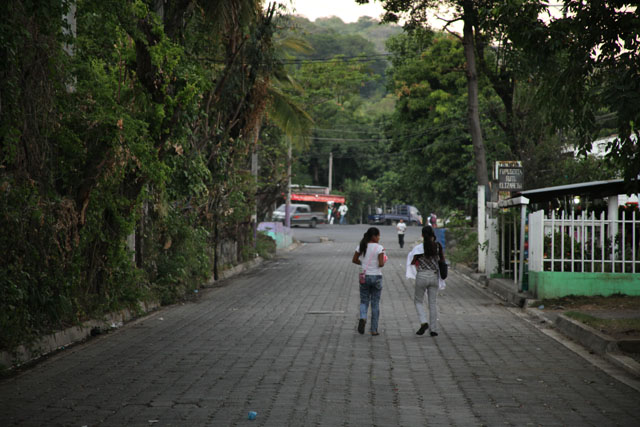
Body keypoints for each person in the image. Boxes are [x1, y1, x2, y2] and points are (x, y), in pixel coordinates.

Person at [406, 225, 445, 337]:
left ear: (422, 235)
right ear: (433, 234)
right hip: (434, 276)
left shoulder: (418, 248)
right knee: (432, 303)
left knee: (418, 301)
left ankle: (423, 322)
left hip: (422, 276)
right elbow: (442, 260)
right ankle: (433, 329)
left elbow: (413, 262)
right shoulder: (438, 247)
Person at [352, 227, 387, 336]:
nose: (379, 237)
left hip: (364, 276)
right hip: (376, 276)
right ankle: (373, 329)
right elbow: (381, 264)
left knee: (364, 300)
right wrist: (383, 260)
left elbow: (354, 260)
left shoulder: (362, 246)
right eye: (378, 235)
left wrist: (363, 263)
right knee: (375, 303)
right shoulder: (379, 248)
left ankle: (363, 317)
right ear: (374, 236)